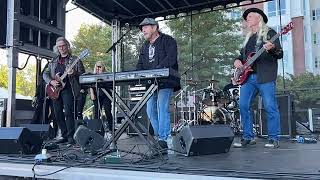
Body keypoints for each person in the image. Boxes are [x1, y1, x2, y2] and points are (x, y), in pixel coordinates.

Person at [232, 8, 283, 148]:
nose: (247, 19)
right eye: (246, 17)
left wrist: (272, 48)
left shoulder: (270, 33)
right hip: (248, 79)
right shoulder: (248, 38)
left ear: (258, 18)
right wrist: (237, 61)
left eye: (249, 16)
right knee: (243, 106)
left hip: (265, 76)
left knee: (270, 107)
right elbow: (242, 56)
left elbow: (279, 54)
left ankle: (273, 138)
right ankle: (248, 137)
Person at [136, 18, 181, 150]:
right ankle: (159, 137)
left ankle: (165, 138)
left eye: (146, 27)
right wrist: (138, 74)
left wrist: (157, 71)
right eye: (142, 28)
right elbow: (140, 64)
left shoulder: (168, 40)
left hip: (166, 81)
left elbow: (171, 59)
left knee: (162, 108)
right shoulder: (144, 46)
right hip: (150, 83)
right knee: (150, 110)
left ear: (155, 28)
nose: (143, 30)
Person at [43, 37, 85, 145]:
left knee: (68, 113)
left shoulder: (75, 59)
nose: (61, 48)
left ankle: (71, 136)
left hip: (68, 89)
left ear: (67, 46)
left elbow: (83, 75)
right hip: (56, 89)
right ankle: (64, 135)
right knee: (57, 113)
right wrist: (51, 82)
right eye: (59, 46)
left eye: (63, 45)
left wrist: (74, 73)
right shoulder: (53, 61)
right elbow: (45, 74)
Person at [89, 61, 113, 132]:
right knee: (96, 112)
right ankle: (96, 129)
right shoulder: (93, 75)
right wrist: (92, 94)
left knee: (107, 110)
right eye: (97, 66)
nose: (98, 68)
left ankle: (111, 128)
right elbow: (90, 85)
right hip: (97, 95)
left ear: (103, 67)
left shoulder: (107, 74)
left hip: (106, 95)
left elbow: (111, 85)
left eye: (100, 67)